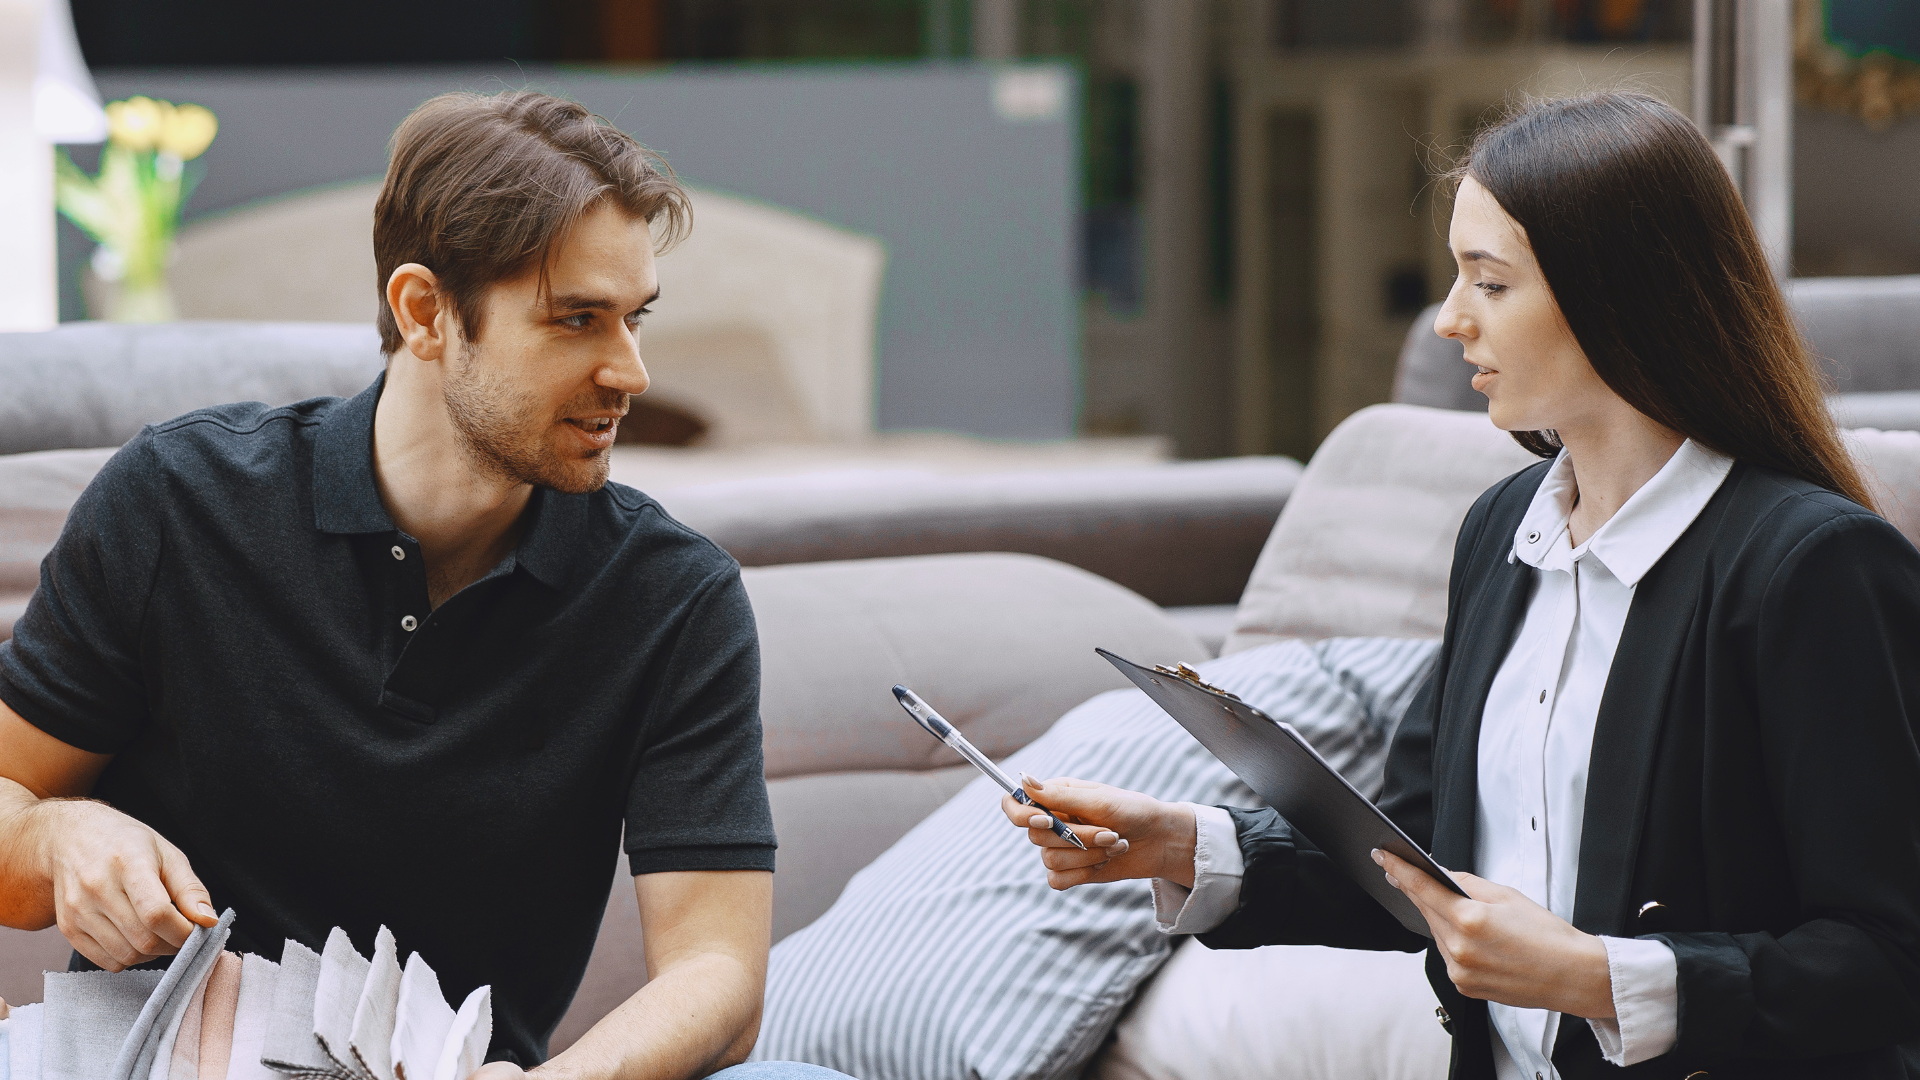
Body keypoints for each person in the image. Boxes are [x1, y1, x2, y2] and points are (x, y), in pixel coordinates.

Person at [1003, 90, 1920, 1080]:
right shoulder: (1501, 537)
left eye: (1488, 282)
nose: (1447, 321)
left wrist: (1595, 978)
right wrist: (1185, 841)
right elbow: (1416, 868)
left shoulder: (1811, 568)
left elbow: (1889, 958)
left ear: (1619, 296)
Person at [0, 90, 846, 1080]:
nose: (632, 371)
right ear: (424, 311)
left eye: (634, 319)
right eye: (577, 320)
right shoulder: (177, 503)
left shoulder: (672, 597)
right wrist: (61, 835)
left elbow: (716, 972)